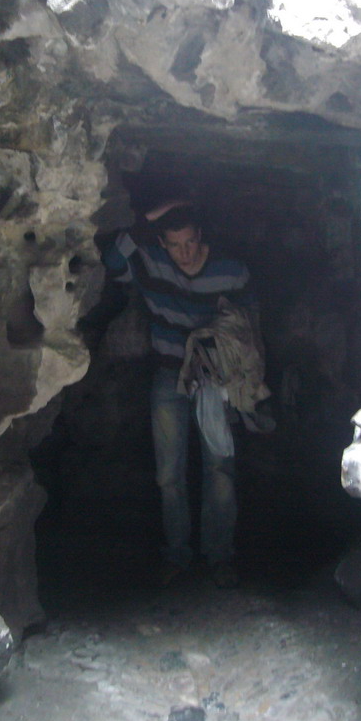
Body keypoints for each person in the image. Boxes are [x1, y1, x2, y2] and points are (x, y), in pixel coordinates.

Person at [103, 200, 260, 588]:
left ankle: (219, 556)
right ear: (162, 243)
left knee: (219, 469)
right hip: (169, 376)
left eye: (190, 242)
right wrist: (144, 223)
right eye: (174, 245)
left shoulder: (231, 271)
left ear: (200, 236)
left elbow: (250, 328)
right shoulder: (152, 263)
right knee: (169, 474)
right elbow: (111, 263)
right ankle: (177, 555)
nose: (185, 253)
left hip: (215, 381)